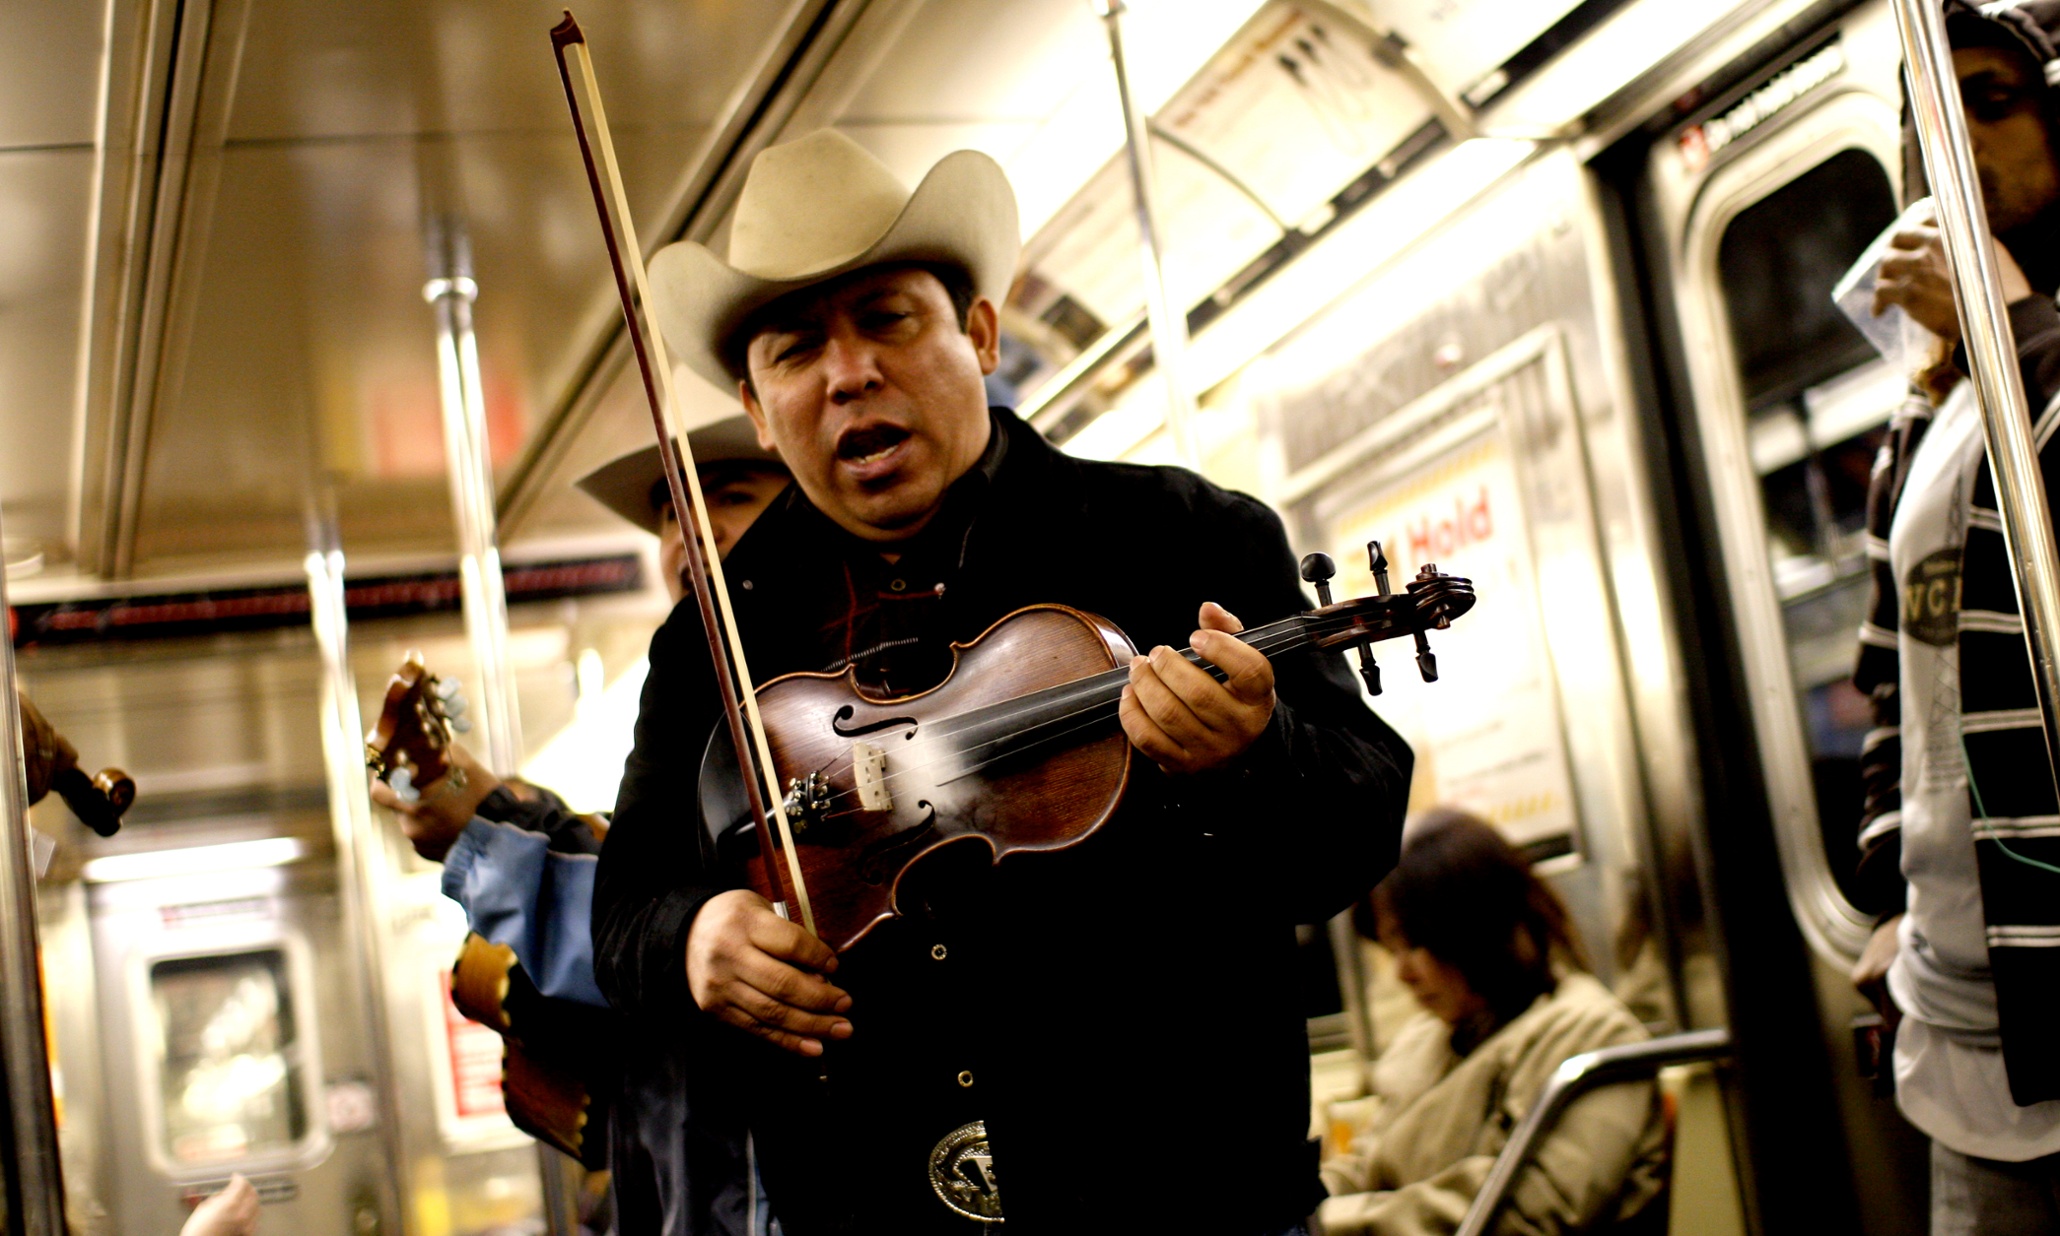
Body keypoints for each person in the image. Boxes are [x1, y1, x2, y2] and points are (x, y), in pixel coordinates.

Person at [593, 128, 1413, 1234]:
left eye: (888, 319)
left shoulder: (1179, 537)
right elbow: (626, 917)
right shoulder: (713, 639)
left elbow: (1355, 833)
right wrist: (692, 941)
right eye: (794, 350)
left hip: (1185, 1197)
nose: (849, 376)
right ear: (753, 406)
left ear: (977, 332)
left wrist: (1251, 758)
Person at [373, 417, 790, 1236]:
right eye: (670, 512)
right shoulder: (683, 722)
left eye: (730, 495)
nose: (691, 532)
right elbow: (632, 947)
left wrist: (498, 827)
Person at [1853, 2, 2060, 1231]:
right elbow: (1895, 678)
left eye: (1990, 103)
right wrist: (1888, 898)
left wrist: (2017, 330)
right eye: (1931, 117)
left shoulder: (2022, 355)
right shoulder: (1920, 416)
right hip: (1956, 1023)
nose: (1955, 146)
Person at [1315, 812, 1665, 1236]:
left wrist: (1334, 1224)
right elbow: (1369, 1166)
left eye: (1414, 943)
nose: (1402, 972)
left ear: (1472, 930)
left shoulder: (1594, 1039)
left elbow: (1532, 1210)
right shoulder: (1428, 1038)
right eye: (1393, 947)